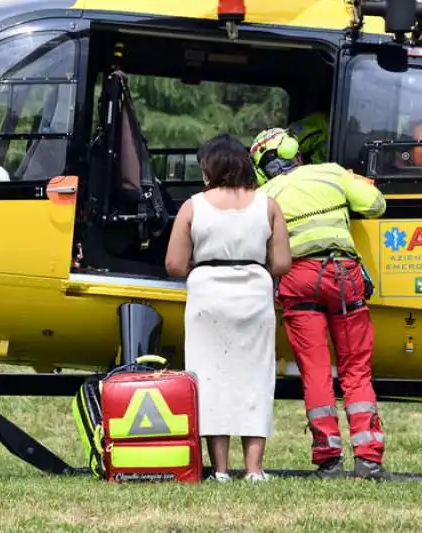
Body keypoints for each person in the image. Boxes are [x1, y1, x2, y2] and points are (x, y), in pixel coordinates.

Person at [250, 126, 389, 480]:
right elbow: (376, 206)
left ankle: (328, 461)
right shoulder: (331, 173)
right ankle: (369, 459)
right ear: (296, 153)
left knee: (314, 369)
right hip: (344, 276)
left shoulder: (264, 196)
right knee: (356, 368)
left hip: (299, 281)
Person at [165, 133, 292, 482]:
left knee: (209, 378)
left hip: (207, 294)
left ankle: (220, 469)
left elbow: (174, 264)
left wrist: (204, 270)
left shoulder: (193, 206)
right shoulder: (267, 205)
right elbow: (281, 262)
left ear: (210, 168)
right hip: (254, 292)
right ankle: (254, 469)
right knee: (255, 378)